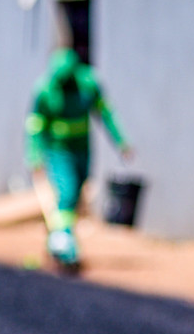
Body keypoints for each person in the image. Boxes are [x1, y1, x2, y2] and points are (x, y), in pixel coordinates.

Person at [25, 45, 130, 271]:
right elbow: (35, 126)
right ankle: (63, 242)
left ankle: (56, 237)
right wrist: (34, 156)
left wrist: (121, 142)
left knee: (78, 194)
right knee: (67, 192)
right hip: (57, 150)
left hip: (82, 150)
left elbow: (105, 113)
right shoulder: (46, 90)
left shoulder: (88, 85)